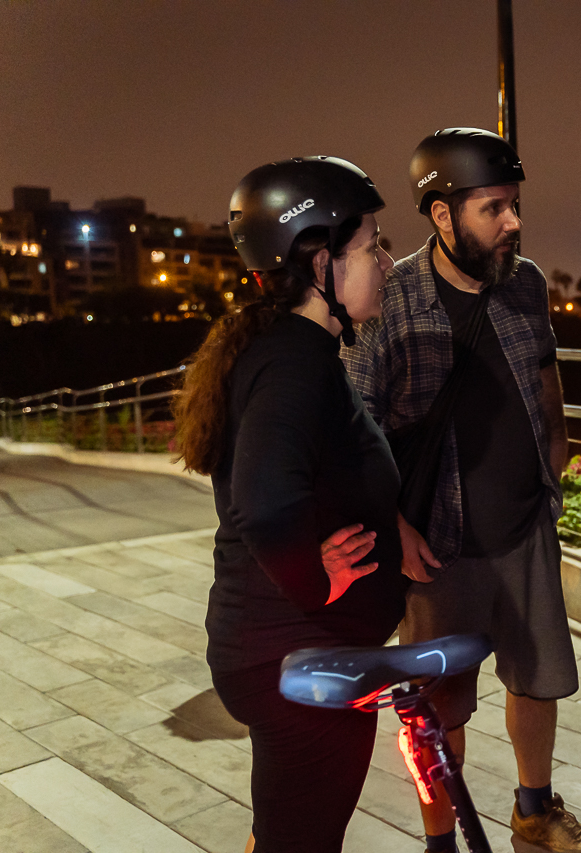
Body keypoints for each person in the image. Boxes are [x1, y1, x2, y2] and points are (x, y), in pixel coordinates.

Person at [342, 128, 581, 853]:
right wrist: (396, 529)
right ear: (442, 215)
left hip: (524, 529)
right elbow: (353, 430)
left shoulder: (525, 283)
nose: (513, 222)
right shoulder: (391, 299)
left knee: (536, 680)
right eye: (494, 208)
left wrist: (551, 485)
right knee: (437, 710)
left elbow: (547, 382)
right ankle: (440, 843)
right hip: (437, 547)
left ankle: (533, 807)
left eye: (514, 205)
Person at [174, 156, 412, 853]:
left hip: (281, 651)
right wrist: (317, 577)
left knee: (283, 827)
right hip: (300, 661)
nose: (387, 263)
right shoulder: (295, 361)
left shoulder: (287, 348)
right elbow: (266, 503)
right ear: (318, 261)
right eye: (372, 245)